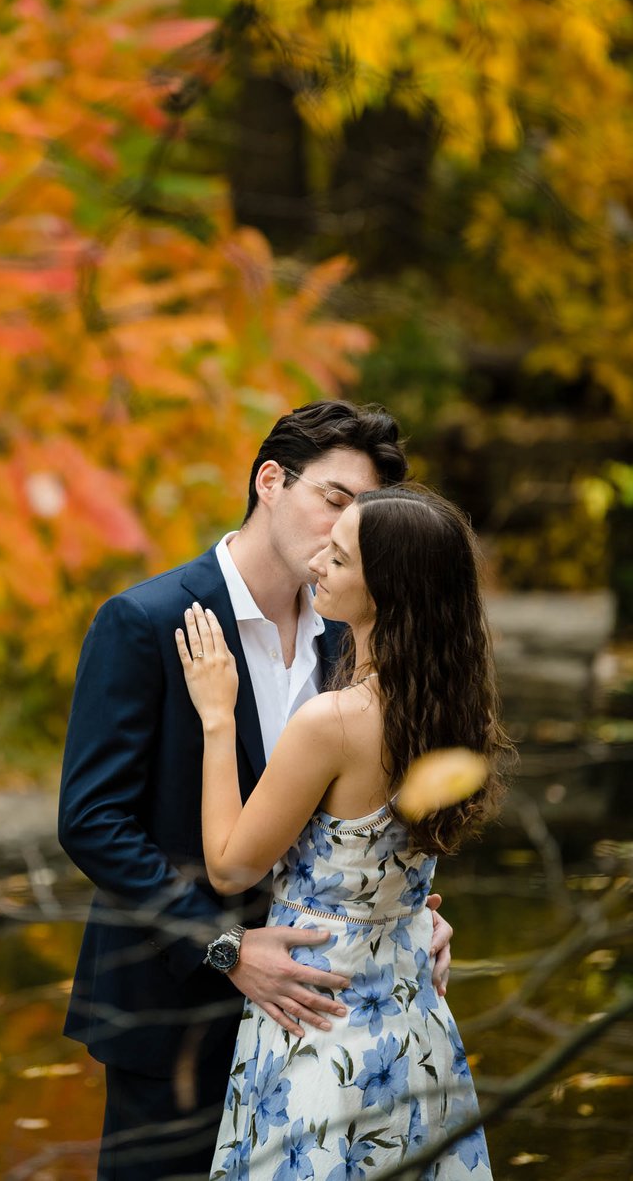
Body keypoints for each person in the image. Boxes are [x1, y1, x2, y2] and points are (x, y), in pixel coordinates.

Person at [58, 401, 454, 1180]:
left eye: (362, 516)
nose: (344, 531)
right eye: (335, 500)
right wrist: (224, 947)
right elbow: (92, 821)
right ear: (270, 480)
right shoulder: (146, 620)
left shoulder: (352, 630)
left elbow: (375, 812)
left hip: (322, 1024)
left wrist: (409, 917)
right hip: (175, 1011)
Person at [176, 485, 513, 1180]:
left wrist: (217, 715)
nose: (318, 564)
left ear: (388, 590)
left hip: (324, 1036)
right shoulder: (455, 711)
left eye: (341, 557)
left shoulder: (333, 722)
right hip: (414, 1028)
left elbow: (232, 867)